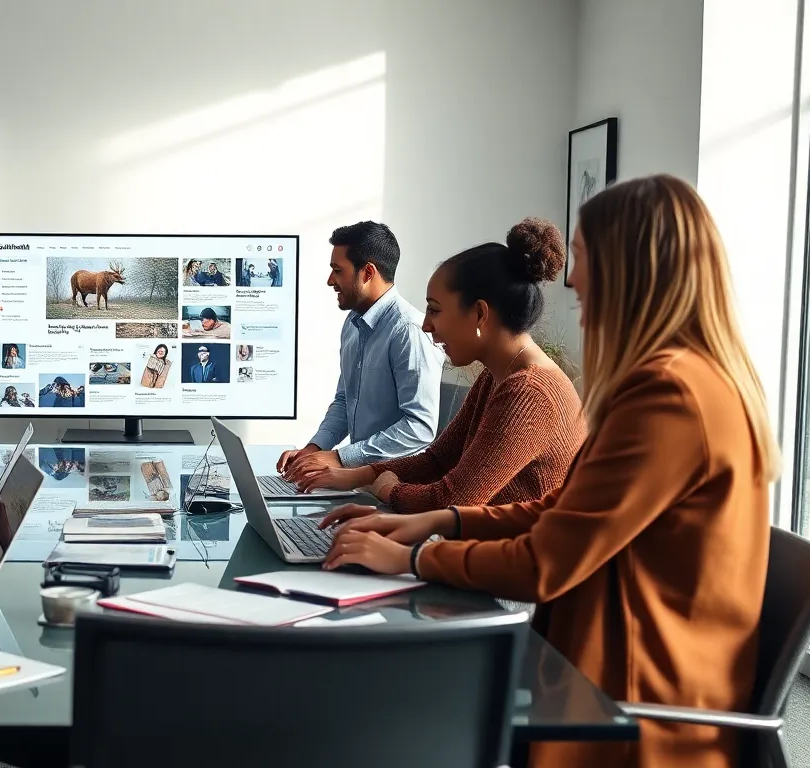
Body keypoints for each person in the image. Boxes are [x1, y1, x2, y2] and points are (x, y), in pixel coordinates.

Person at [322, 175, 776, 768]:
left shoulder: (669, 397)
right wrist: (437, 523)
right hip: (599, 667)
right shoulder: (690, 383)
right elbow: (560, 514)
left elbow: (545, 561)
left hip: (628, 710)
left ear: (635, 276)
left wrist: (412, 557)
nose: (577, 296)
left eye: (587, 279)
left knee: (381, 710)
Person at [299, 218, 585, 512]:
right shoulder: (497, 376)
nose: (425, 325)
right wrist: (351, 477)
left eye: (434, 310)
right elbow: (437, 460)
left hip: (513, 555)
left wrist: (387, 490)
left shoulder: (530, 393)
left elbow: (453, 500)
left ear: (479, 314)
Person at [279, 221, 444, 478]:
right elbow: (345, 400)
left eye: (337, 271)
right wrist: (313, 450)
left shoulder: (409, 330)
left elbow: (420, 427)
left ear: (367, 273)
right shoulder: (353, 324)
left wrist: (340, 458)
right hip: (356, 482)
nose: (330, 280)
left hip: (397, 489)